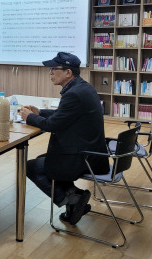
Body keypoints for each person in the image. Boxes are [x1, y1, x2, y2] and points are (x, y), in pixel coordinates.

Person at [19, 52, 108, 225]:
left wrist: (29, 117)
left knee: (30, 166)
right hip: (91, 152)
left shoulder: (73, 94)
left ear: (68, 72)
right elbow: (64, 115)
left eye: (54, 69)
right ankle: (75, 197)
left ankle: (72, 200)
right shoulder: (81, 87)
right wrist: (40, 112)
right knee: (42, 160)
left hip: (83, 156)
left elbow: (53, 125)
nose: (50, 73)